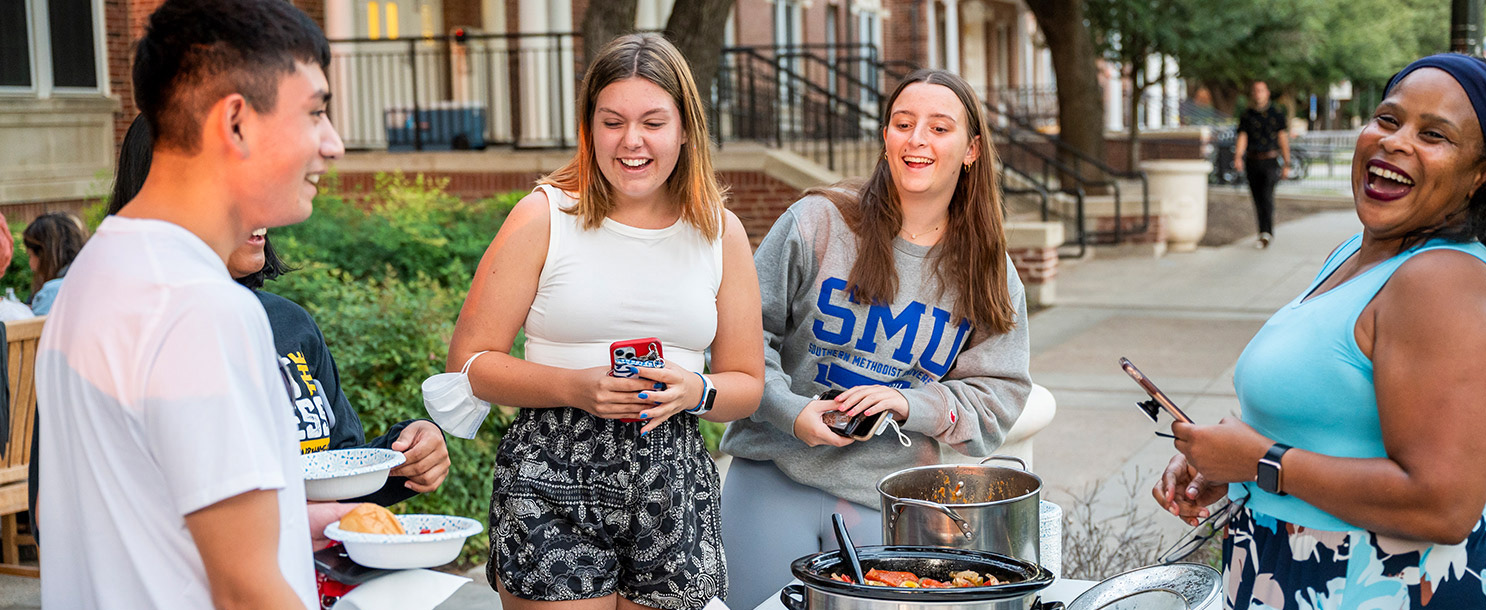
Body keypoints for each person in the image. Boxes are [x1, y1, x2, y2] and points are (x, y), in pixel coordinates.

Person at [1154, 53, 1486, 609]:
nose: (1396, 141)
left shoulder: (1441, 283)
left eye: (1433, 134)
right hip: (1294, 570)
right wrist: (1232, 467)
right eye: (1388, 118)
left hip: (1394, 585)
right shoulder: (1354, 254)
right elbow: (1334, 426)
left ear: (1483, 173)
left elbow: (1444, 506)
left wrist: (1263, 461)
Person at [35, 0, 345, 607]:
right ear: (235, 122)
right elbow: (245, 588)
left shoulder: (94, 272)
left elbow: (137, 517)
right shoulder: (203, 309)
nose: (331, 144)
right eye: (315, 113)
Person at [447, 33, 763, 610]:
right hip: (551, 473)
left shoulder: (722, 233)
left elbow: (746, 384)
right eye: (612, 121)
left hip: (674, 481)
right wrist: (575, 388)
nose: (632, 141)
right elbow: (469, 364)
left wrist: (698, 390)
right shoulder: (545, 216)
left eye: (653, 122)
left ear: (686, 127)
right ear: (589, 127)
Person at [719, 68, 1033, 609]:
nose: (917, 140)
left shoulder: (989, 271)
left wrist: (907, 402)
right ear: (885, 137)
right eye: (903, 124)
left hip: (894, 502)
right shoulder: (817, 223)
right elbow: (735, 342)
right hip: (772, 473)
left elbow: (998, 397)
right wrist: (792, 411)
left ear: (972, 149)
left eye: (939, 128)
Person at [104, 112, 451, 505]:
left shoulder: (288, 323)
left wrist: (401, 458)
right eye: (238, 186)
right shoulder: (128, 338)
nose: (265, 207)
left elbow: (336, 471)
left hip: (313, 564)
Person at [1233, 80, 1291, 249]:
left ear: (1267, 93)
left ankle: (1267, 232)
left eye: (1261, 90)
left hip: (1270, 160)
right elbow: (1242, 137)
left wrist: (1287, 163)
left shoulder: (1276, 114)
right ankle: (1262, 232)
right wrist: (1238, 157)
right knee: (1257, 198)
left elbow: (1283, 138)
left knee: (1267, 196)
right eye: (1255, 91)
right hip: (1252, 160)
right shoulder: (1247, 115)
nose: (1258, 94)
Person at [23, 212, 87, 315]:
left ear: (43, 254)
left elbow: (36, 330)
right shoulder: (92, 279)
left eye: (30, 255)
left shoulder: (51, 292)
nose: (31, 266)